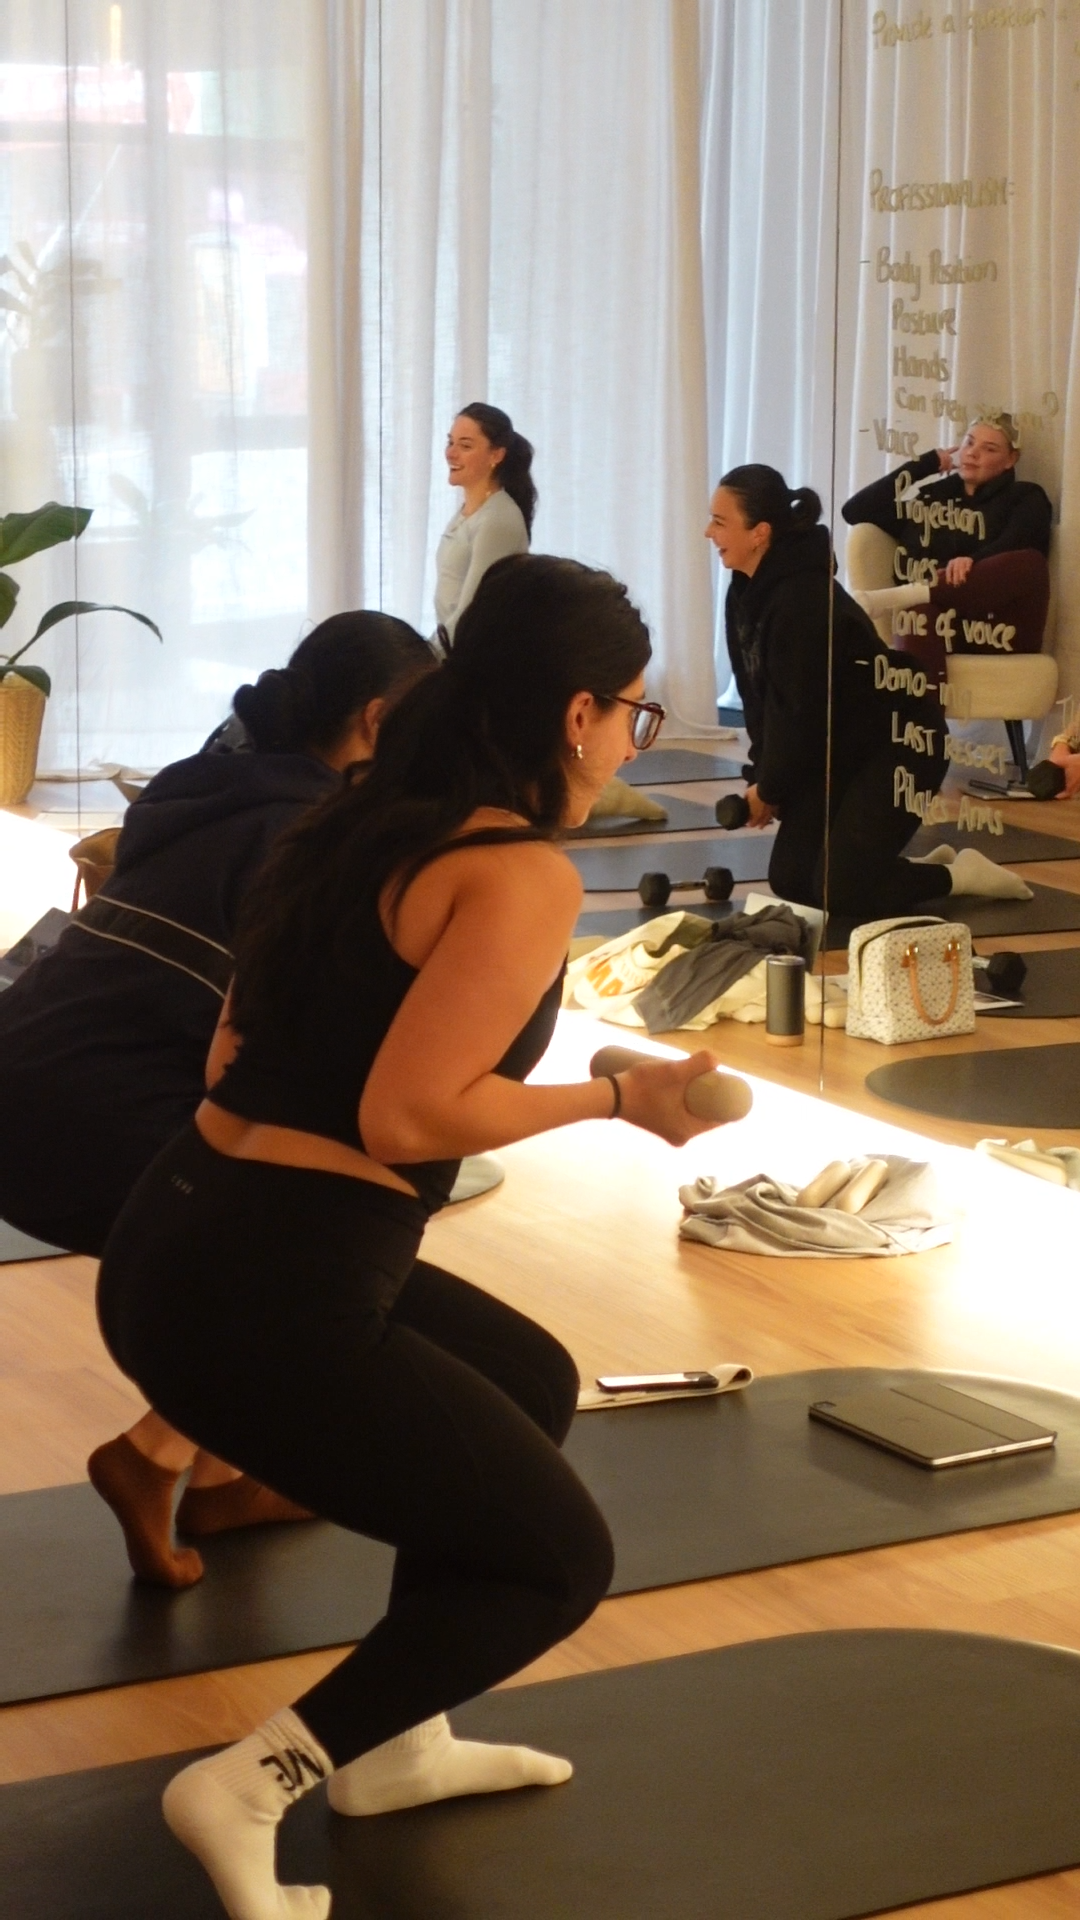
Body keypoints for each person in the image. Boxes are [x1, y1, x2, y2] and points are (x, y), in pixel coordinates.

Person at [95, 553, 726, 1920]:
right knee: (557, 1564)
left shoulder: (352, 817)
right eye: (636, 711)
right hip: (274, 1285)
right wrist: (624, 1097)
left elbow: (229, 1054)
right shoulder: (513, 875)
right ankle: (257, 1780)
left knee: (531, 1384)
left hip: (177, 1238)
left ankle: (393, 1745)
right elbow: (410, 1113)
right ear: (577, 715)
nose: (633, 736)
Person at [0, 611, 435, 1587]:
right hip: (88, 1117)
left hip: (19, 1068)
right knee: (310, 1231)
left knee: (264, 1217)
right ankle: (157, 1454)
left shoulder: (203, 781)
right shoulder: (314, 835)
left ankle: (228, 1475)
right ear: (374, 723)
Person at [707, 465, 1033, 918]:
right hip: (840, 744)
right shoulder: (743, 591)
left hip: (899, 742)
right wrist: (763, 778)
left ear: (760, 532)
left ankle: (960, 876)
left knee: (838, 892)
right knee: (792, 880)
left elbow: (798, 713)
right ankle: (889, 865)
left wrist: (772, 786)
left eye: (720, 522)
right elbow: (759, 697)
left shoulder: (802, 600)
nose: (709, 532)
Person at [841, 413, 1052, 678]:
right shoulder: (932, 502)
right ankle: (926, 720)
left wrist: (974, 564)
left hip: (999, 627)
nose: (973, 454)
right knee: (917, 616)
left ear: (1010, 460)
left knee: (1029, 562)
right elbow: (855, 510)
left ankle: (907, 594)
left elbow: (1021, 543)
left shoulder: (1026, 497)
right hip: (943, 623)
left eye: (989, 449)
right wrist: (924, 465)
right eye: (969, 443)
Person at [434, 403, 536, 640]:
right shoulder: (469, 512)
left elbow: (473, 613)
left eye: (465, 445)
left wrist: (424, 660)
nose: (451, 453)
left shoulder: (498, 519)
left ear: (496, 455)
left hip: (475, 659)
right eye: (451, 442)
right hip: (456, 653)